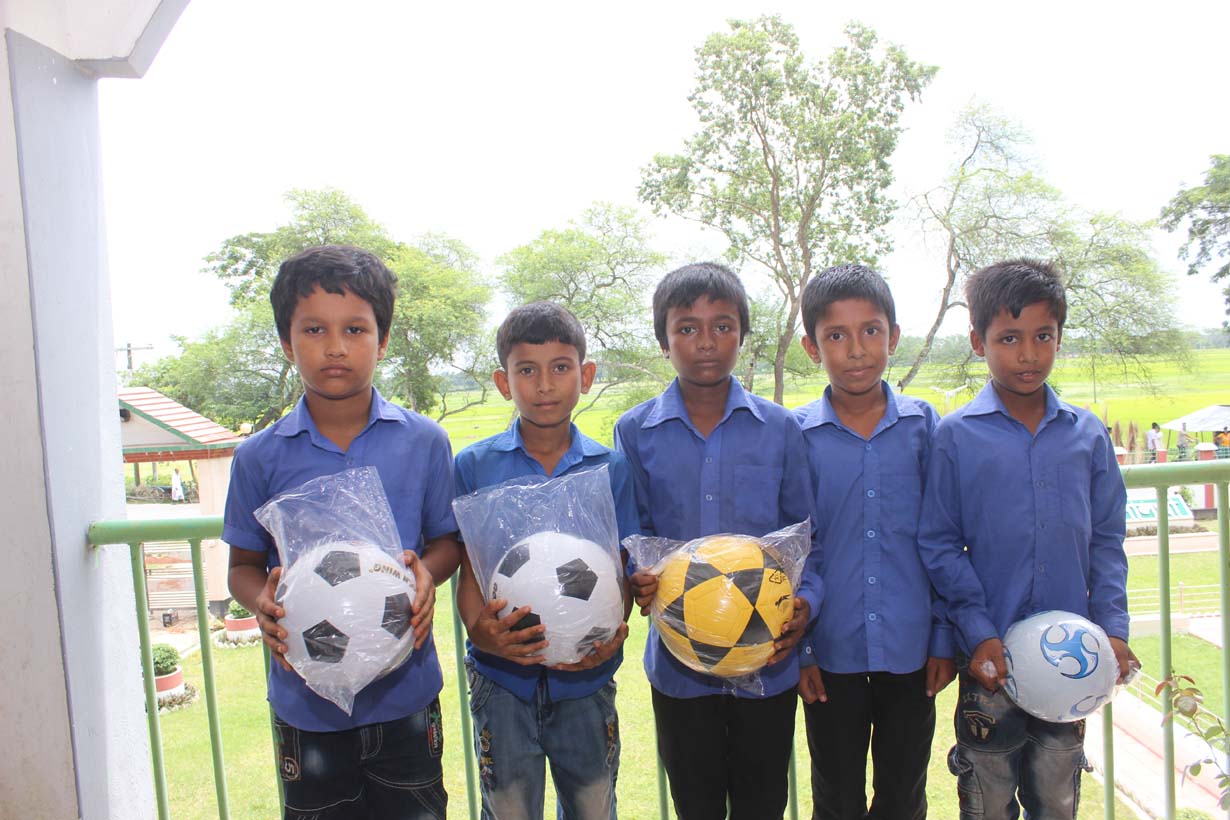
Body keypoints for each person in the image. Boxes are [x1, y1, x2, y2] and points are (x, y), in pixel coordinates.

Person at [223, 245, 461, 820]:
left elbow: (447, 543)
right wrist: (263, 603)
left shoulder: (424, 441)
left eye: (355, 329)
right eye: (314, 330)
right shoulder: (259, 456)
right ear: (287, 344)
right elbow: (242, 567)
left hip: (405, 695)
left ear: (382, 340)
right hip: (306, 703)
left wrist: (426, 575)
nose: (335, 346)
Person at [917, 259, 1136, 820]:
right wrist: (978, 631)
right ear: (978, 342)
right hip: (990, 661)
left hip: (1073, 661)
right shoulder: (956, 437)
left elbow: (1106, 540)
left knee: (1057, 798)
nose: (1029, 354)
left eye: (1043, 336)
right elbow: (940, 544)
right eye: (1009, 338)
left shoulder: (1087, 435)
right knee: (988, 801)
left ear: (1059, 337)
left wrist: (1113, 629)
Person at [614, 262, 822, 820]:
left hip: (767, 658)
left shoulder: (780, 428)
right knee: (695, 803)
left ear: (742, 336)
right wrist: (636, 576)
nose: (705, 341)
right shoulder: (634, 431)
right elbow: (632, 536)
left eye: (722, 326)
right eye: (687, 328)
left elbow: (808, 538)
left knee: (763, 803)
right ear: (664, 342)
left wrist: (807, 601)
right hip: (679, 665)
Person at [452, 301, 639, 819]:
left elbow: (618, 571)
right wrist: (480, 632)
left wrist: (607, 632)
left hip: (585, 679)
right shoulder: (474, 465)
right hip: (501, 679)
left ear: (586, 375)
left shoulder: (609, 468)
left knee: (592, 805)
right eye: (526, 370)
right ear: (503, 382)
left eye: (560, 367)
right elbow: (470, 571)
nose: (544, 385)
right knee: (509, 808)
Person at [793, 264, 955, 820]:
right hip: (830, 652)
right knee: (835, 797)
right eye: (836, 335)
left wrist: (942, 636)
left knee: (903, 796)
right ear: (812, 348)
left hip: (912, 650)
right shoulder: (798, 436)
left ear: (893, 337)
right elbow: (795, 549)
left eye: (871, 331)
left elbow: (943, 539)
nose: (856, 349)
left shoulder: (924, 427)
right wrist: (802, 650)